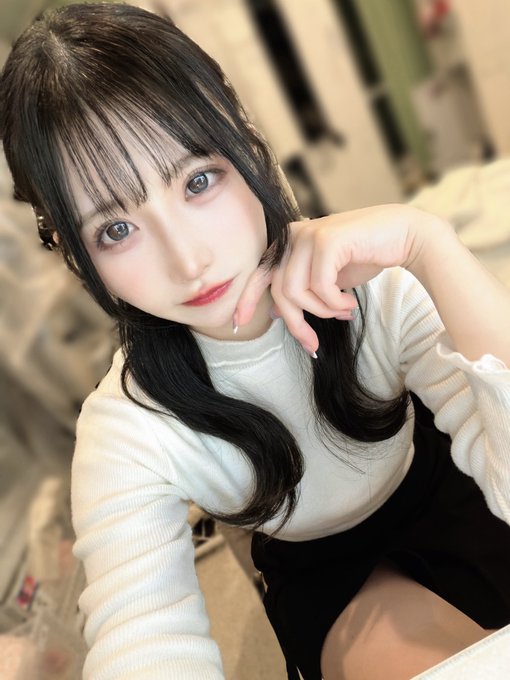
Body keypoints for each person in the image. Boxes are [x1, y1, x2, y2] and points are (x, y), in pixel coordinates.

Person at [1, 3, 510, 679]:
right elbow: (140, 634)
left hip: (448, 483)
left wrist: (429, 244)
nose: (189, 261)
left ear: (244, 141)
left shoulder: (375, 286)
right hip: (327, 572)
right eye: (115, 230)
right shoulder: (127, 427)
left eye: (198, 181)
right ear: (73, 253)